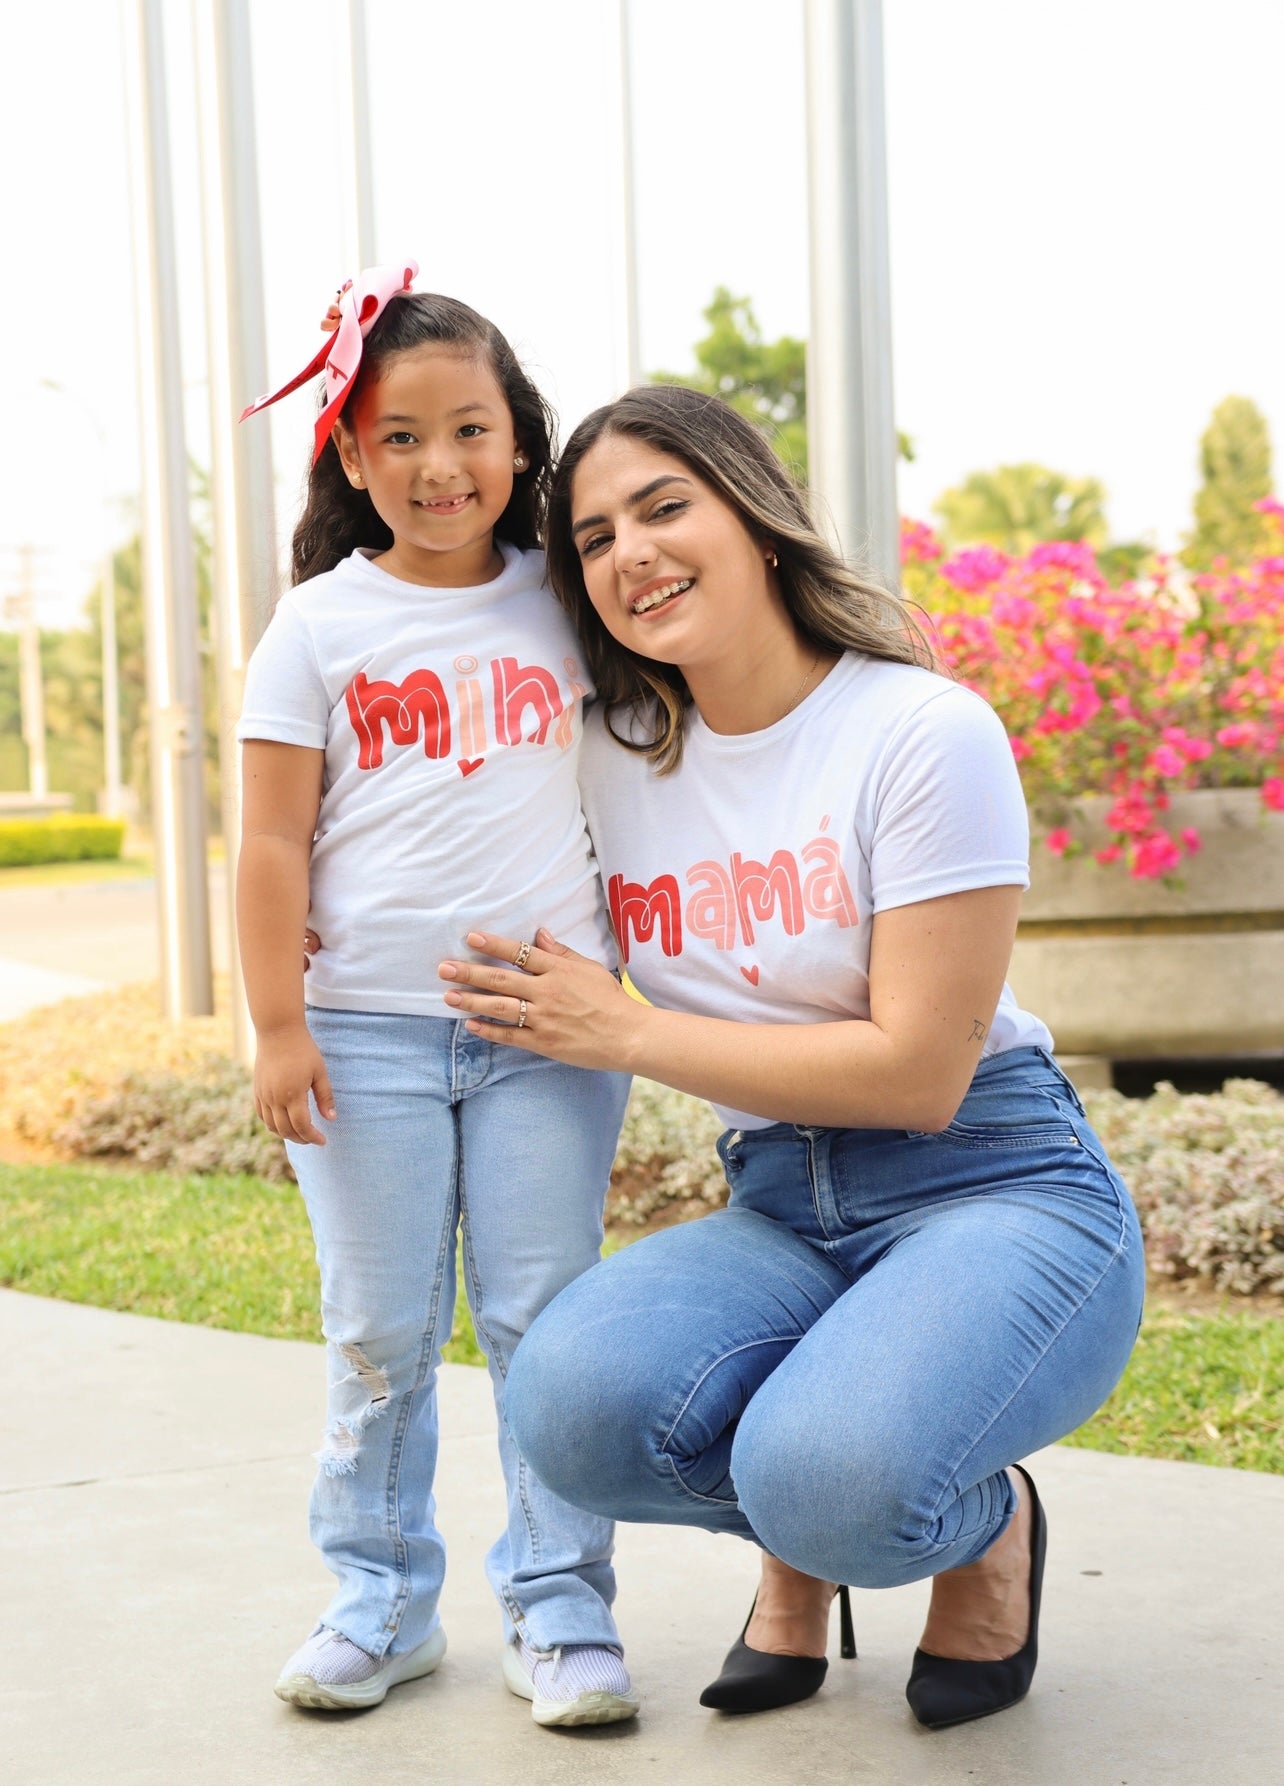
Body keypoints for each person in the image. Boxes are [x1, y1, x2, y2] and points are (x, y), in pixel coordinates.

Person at [435, 384, 1146, 1730]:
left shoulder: (920, 734)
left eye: (662, 506)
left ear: (754, 518)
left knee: (837, 1478)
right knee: (569, 1407)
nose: (629, 553)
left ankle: (969, 1523)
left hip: (990, 1181)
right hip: (780, 1195)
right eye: (592, 538)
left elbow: (918, 1075)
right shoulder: (607, 758)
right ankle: (822, 1488)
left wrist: (631, 1029)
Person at [235, 263, 638, 1726]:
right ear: (351, 454)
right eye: (399, 435)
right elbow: (272, 837)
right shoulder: (318, 628)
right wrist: (279, 1024)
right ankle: (380, 1603)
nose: (438, 464)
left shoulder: (567, 603)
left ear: (520, 440)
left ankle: (559, 1606)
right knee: (381, 1329)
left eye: (469, 428)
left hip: (547, 1038)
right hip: (362, 1040)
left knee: (544, 1320)